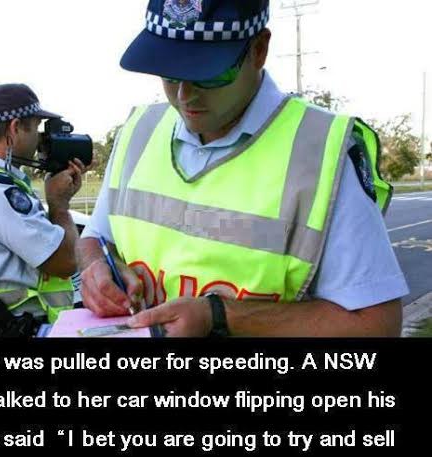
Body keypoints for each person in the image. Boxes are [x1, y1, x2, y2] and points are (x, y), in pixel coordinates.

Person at [77, 0, 409, 337]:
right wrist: (95, 267)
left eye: (208, 74)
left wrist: (221, 316)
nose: (185, 95)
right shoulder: (139, 132)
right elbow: (95, 238)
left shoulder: (320, 150)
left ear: (259, 50)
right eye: (170, 73)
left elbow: (376, 325)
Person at [0, 83, 85, 337]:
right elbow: (66, 262)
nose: (39, 139)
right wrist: (60, 205)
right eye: (35, 127)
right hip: (15, 330)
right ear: (14, 128)